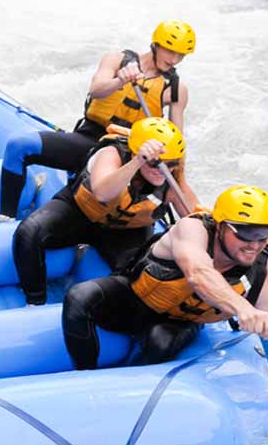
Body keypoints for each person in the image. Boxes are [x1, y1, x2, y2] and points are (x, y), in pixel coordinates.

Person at [62, 184, 268, 394]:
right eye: (246, 236)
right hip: (133, 299)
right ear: (220, 227)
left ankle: (130, 389)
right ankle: (85, 376)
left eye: (262, 238)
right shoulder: (192, 229)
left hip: (178, 320)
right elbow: (198, 273)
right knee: (80, 297)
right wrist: (243, 308)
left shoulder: (259, 273)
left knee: (161, 341)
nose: (254, 245)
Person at [0, 19, 196, 221]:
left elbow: (175, 139)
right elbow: (96, 90)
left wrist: (173, 173)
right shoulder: (118, 60)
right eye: (170, 51)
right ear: (156, 45)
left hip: (125, 153)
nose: (174, 60)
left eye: (181, 55)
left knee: (176, 190)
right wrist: (120, 80)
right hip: (89, 139)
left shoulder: (177, 89)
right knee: (19, 146)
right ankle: (6, 216)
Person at [13, 118, 198, 305]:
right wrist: (137, 162)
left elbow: (195, 219)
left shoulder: (171, 177)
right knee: (29, 232)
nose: (162, 170)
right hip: (79, 213)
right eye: (155, 163)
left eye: (171, 163)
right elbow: (103, 193)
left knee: (135, 277)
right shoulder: (112, 153)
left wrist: (179, 177)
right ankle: (34, 300)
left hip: (126, 231)